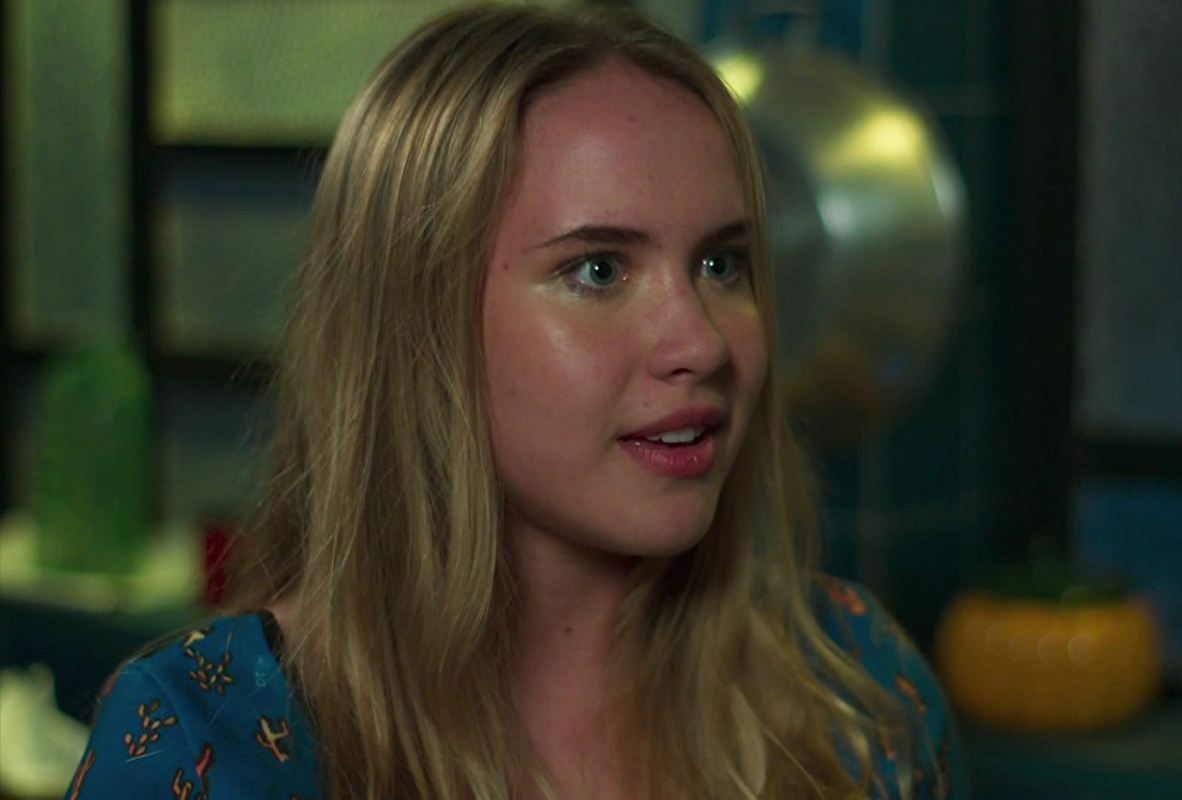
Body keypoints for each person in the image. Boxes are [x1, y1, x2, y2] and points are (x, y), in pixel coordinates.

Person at [64, 4, 966, 799]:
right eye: (599, 270)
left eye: (720, 263)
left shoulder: (858, 697)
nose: (700, 342)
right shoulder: (211, 739)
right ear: (419, 323)